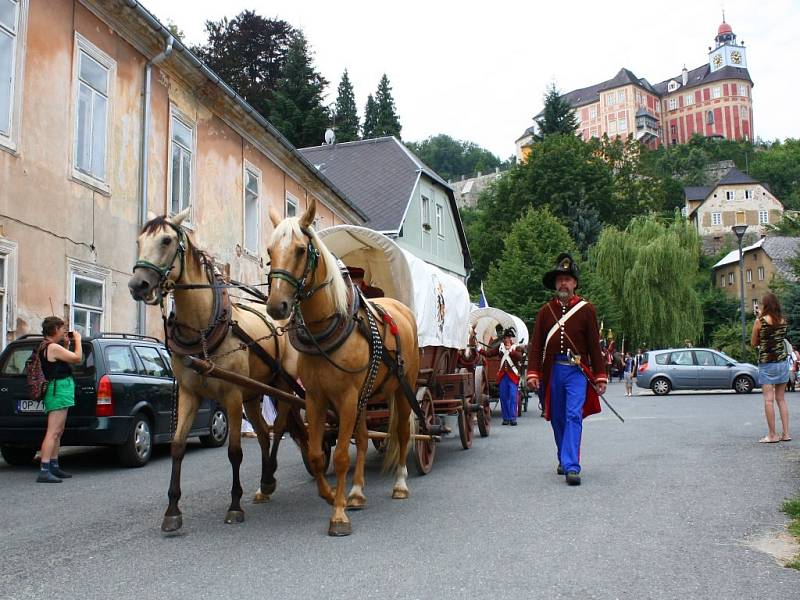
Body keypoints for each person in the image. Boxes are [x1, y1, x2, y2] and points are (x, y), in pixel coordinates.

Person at [527, 253, 607, 486]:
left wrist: (600, 376)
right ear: (555, 284)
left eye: (568, 279)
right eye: (560, 279)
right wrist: (533, 373)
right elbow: (537, 346)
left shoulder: (586, 310)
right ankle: (563, 455)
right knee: (558, 417)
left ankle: (572, 465)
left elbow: (594, 345)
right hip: (553, 371)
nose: (564, 283)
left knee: (573, 414)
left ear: (575, 284)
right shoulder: (545, 312)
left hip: (577, 372)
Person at [37, 317, 82, 483]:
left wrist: (68, 346)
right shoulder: (52, 347)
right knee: (53, 431)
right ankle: (44, 469)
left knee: (58, 431)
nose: (65, 331)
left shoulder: (50, 346)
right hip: (58, 391)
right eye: (62, 328)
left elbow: (62, 362)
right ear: (55, 329)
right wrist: (78, 340)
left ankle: (53, 466)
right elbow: (77, 358)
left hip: (60, 390)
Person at [751, 293, 791, 443]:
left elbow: (754, 343)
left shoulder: (760, 322)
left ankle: (772, 435)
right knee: (781, 399)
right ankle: (786, 434)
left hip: (767, 364)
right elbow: (775, 334)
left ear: (765, 305)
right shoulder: (783, 321)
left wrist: (758, 318)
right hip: (782, 363)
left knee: (769, 400)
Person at [481, 328, 524, 425]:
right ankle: (506, 418)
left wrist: (511, 351)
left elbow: (520, 357)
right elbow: (489, 354)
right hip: (503, 376)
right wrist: (479, 350)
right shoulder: (500, 347)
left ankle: (513, 418)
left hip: (513, 375)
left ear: (511, 338)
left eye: (508, 337)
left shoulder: (516, 347)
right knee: (503, 397)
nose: (506, 339)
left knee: (513, 396)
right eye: (505, 338)